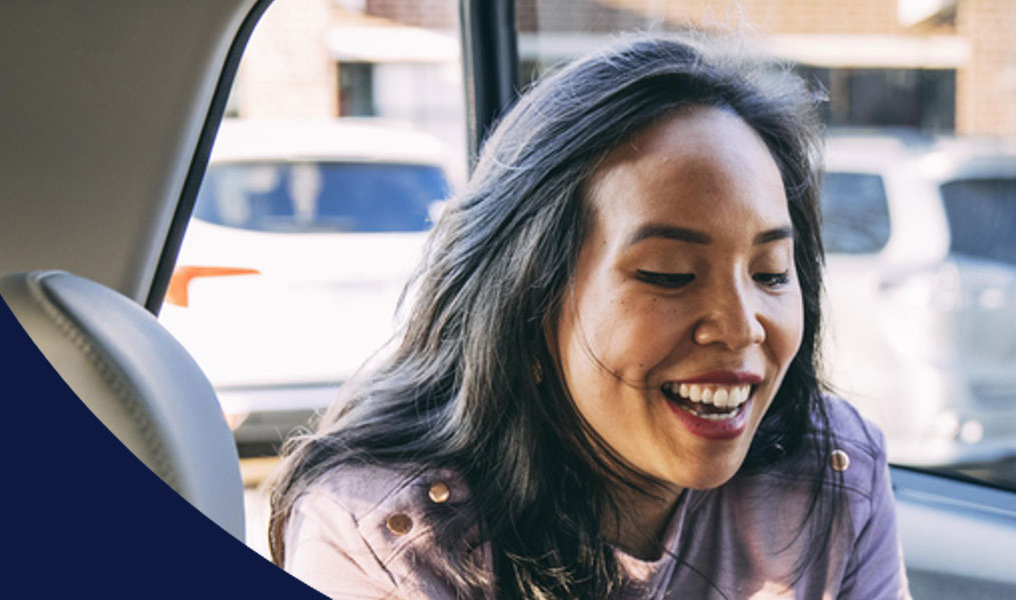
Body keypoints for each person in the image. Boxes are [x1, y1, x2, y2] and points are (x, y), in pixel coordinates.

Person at [266, 33, 909, 599]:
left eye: (770, 274)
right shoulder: (382, 541)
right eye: (669, 275)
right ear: (529, 298)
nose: (742, 328)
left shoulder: (831, 474)